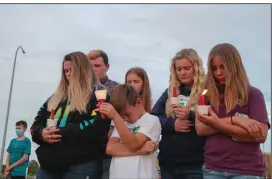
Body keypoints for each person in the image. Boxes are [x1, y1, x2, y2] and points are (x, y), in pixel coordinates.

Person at [30, 51, 111, 179]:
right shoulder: (54, 98)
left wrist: (61, 132)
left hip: (82, 164)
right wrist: (41, 134)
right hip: (49, 164)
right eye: (65, 71)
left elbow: (98, 126)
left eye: (71, 70)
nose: (68, 74)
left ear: (83, 69)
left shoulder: (99, 93)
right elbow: (35, 125)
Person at [195, 43, 270, 179]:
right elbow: (200, 128)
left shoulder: (254, 95)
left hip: (246, 171)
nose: (218, 73)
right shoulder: (208, 95)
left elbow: (261, 135)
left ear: (235, 66)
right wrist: (235, 120)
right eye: (214, 68)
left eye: (223, 67)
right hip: (213, 169)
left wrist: (216, 124)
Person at [151, 48, 206, 179]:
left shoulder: (206, 91)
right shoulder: (170, 92)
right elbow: (153, 117)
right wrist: (172, 124)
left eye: (186, 68)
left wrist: (191, 116)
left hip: (196, 165)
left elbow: (214, 119)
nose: (182, 73)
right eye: (178, 69)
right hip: (168, 164)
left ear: (196, 67)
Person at [96, 84, 161, 179]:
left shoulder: (151, 120)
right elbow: (110, 149)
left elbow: (134, 144)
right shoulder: (122, 122)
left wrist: (115, 117)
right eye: (121, 115)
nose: (125, 119)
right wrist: (140, 151)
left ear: (138, 102)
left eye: (127, 114)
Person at [87, 49, 119, 179]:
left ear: (107, 67)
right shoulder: (82, 91)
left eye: (97, 66)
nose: (93, 69)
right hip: (87, 151)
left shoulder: (118, 89)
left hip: (110, 150)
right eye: (90, 66)